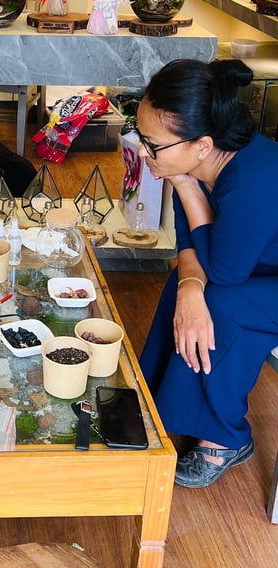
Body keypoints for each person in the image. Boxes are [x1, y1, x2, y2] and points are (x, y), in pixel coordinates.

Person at [137, 58, 278, 489]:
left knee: (220, 303)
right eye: (141, 137)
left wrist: (184, 186)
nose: (144, 153)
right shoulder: (201, 158)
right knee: (187, 287)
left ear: (201, 144)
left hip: (254, 274)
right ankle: (157, 402)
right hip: (255, 266)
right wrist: (189, 286)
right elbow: (188, 240)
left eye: (153, 145)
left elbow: (224, 272)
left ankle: (225, 438)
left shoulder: (251, 183)